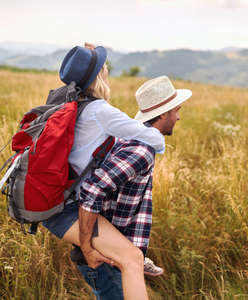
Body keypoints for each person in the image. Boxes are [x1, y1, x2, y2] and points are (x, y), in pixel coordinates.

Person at [42, 44, 169, 300]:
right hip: (66, 208)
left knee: (131, 258)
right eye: (104, 69)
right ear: (101, 77)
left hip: (58, 200)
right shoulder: (99, 111)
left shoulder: (68, 103)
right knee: (132, 259)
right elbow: (154, 139)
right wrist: (87, 247)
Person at [71, 75, 192, 299]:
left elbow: (123, 201)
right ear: (163, 113)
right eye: (176, 111)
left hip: (115, 253)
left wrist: (136, 253)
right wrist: (87, 247)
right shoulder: (141, 151)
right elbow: (92, 191)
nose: (178, 117)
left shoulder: (132, 139)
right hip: (107, 258)